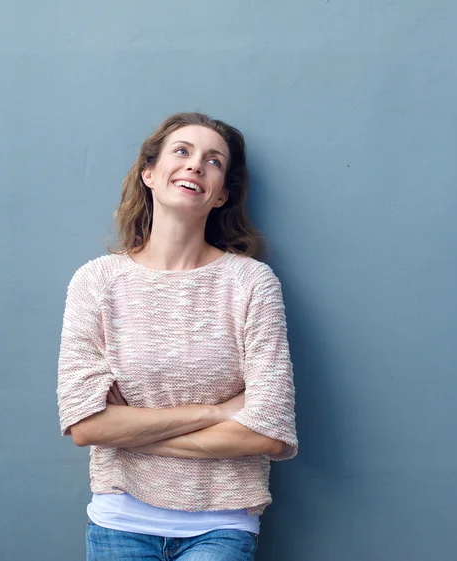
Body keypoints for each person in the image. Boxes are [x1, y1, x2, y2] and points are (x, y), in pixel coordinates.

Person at [57, 112, 298, 560]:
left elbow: (269, 433)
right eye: (182, 152)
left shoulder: (251, 282)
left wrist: (128, 431)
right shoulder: (97, 282)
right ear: (149, 173)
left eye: (213, 161)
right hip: (120, 522)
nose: (195, 165)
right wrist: (218, 411)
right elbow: (86, 424)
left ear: (223, 193)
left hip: (223, 523)